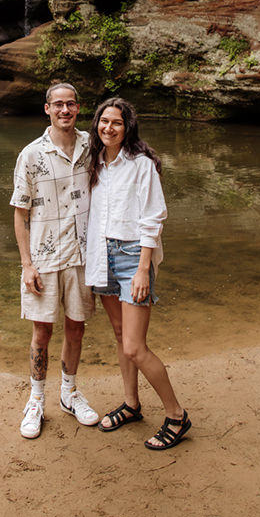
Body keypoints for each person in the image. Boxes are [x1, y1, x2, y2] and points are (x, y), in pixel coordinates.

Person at [85, 96, 191, 451]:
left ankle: (177, 415)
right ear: (96, 124)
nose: (108, 128)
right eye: (103, 121)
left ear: (127, 127)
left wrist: (143, 268)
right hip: (103, 255)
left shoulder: (141, 164)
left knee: (135, 347)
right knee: (119, 336)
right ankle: (131, 404)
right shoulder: (95, 161)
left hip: (133, 256)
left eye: (116, 122)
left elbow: (153, 218)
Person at [11, 81, 101, 438]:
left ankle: (69, 392)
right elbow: (20, 214)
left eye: (71, 104)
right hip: (44, 259)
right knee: (42, 331)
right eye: (58, 104)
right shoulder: (31, 155)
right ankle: (35, 400)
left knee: (76, 326)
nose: (65, 110)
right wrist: (27, 265)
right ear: (46, 109)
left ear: (78, 108)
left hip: (81, 255)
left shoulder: (91, 147)